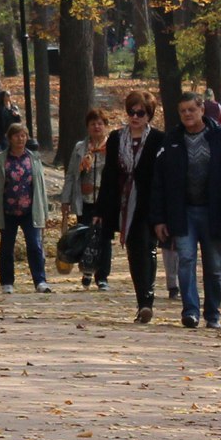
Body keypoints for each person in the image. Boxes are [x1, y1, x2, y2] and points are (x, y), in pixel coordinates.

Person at [153, 93, 221, 330]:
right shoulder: (172, 140)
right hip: (183, 213)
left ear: (201, 109)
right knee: (185, 260)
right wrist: (160, 218)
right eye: (182, 111)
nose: (187, 114)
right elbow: (159, 183)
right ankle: (190, 311)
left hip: (214, 211)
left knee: (214, 266)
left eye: (191, 110)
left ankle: (212, 313)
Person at [91, 90, 164, 323]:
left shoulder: (158, 140)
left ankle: (147, 299)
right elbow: (109, 174)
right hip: (122, 202)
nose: (135, 116)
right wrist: (101, 210)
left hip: (147, 202)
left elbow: (162, 177)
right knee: (134, 249)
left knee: (147, 245)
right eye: (131, 111)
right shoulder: (116, 138)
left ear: (149, 114)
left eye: (140, 112)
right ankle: (141, 299)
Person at [0, 121, 52, 293]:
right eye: (16, 135)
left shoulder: (33, 159)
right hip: (7, 210)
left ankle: (40, 280)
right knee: (7, 246)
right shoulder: (1, 160)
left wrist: (44, 209)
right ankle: (7, 282)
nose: (20, 139)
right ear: (9, 138)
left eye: (23, 135)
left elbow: (40, 185)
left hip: (29, 210)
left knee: (34, 244)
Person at [60, 107, 113, 290]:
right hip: (85, 200)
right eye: (92, 124)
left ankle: (103, 276)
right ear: (87, 127)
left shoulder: (112, 147)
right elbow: (71, 175)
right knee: (86, 236)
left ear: (106, 126)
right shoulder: (80, 148)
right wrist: (65, 200)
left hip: (106, 201)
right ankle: (87, 270)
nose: (96, 127)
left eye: (100, 123)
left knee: (104, 238)